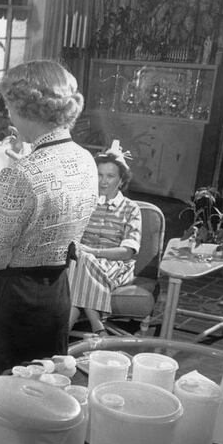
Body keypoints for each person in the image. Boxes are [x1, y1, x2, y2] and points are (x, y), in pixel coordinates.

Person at [0, 60, 98, 376]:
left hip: (13, 298)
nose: (8, 114)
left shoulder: (20, 175)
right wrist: (27, 158)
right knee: (45, 386)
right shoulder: (85, 159)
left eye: (9, 106)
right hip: (56, 293)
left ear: (24, 109)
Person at [67, 141, 142, 336]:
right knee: (80, 263)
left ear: (121, 180)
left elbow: (127, 251)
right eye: (99, 175)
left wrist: (93, 252)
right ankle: (98, 329)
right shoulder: (86, 202)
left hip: (116, 264)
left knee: (81, 263)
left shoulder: (131, 208)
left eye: (110, 176)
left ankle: (63, 335)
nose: (103, 181)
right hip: (84, 263)